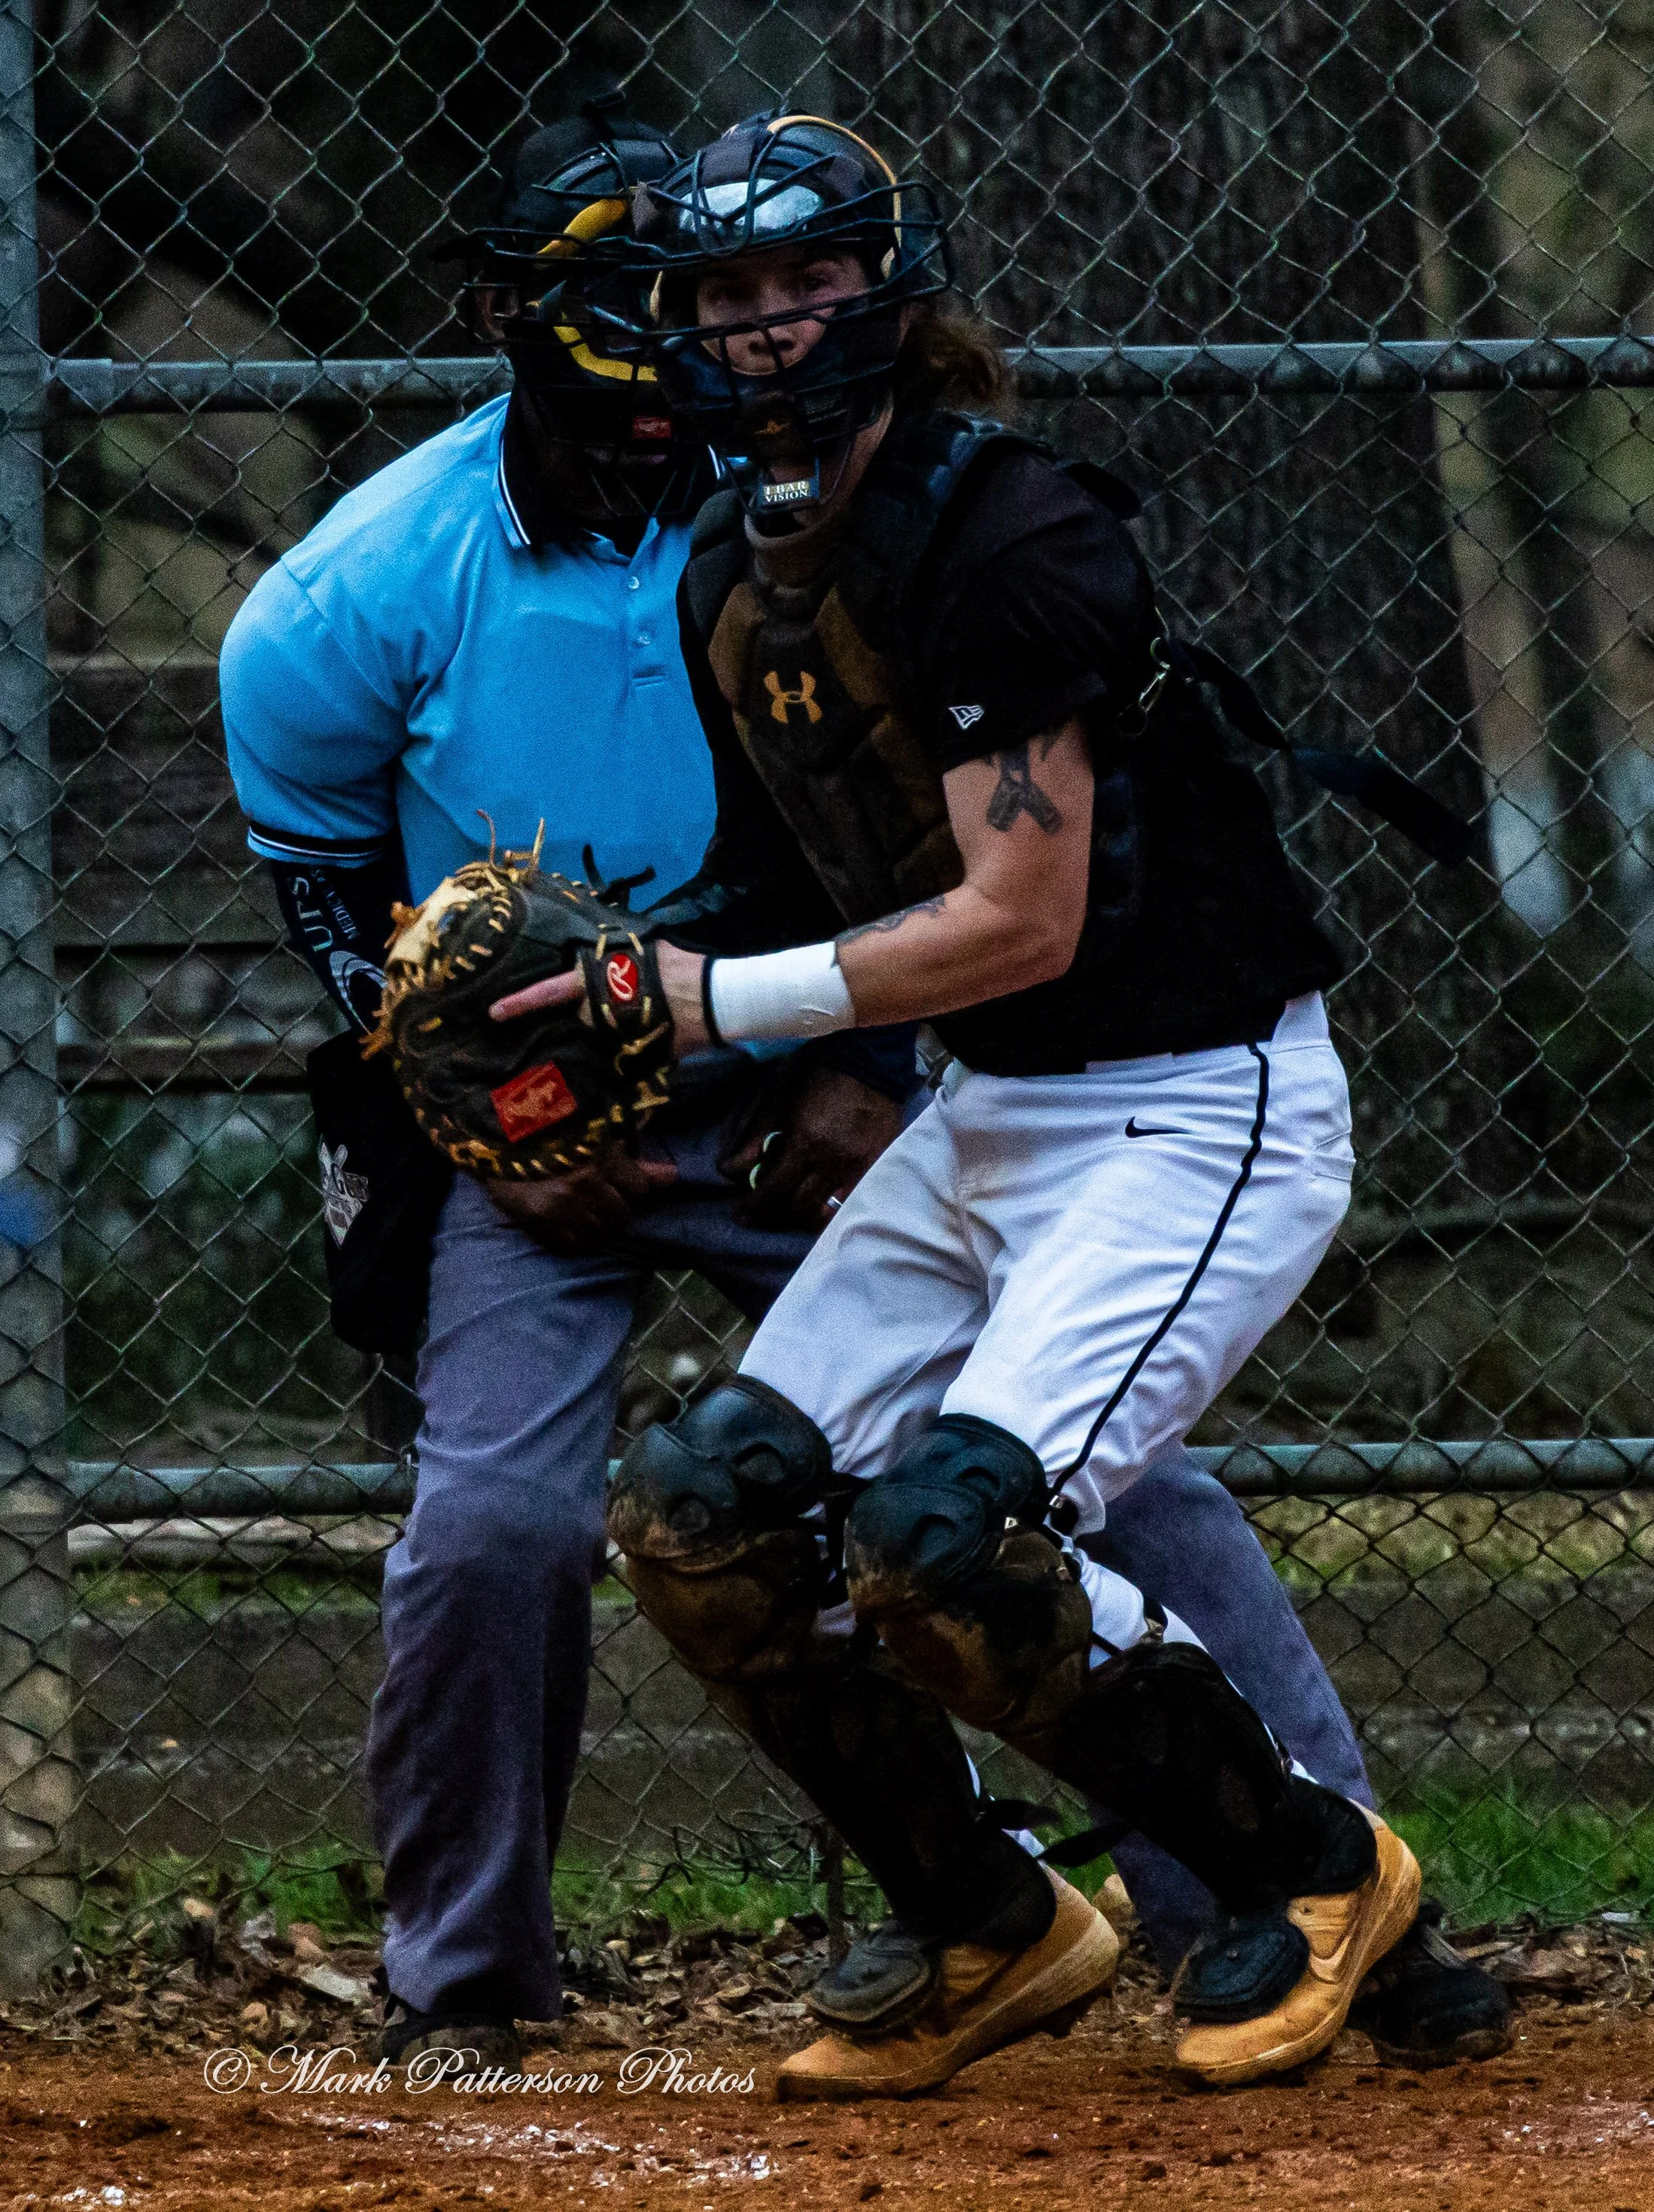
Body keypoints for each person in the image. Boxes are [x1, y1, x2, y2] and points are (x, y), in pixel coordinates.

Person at [558, 111, 1513, 2090]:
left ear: (883, 293)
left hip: (1195, 1108)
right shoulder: (733, 580)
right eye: (722, 295)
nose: (762, 328)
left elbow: (1021, 908)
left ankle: (1320, 1872)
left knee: (949, 1539)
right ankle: (986, 1926)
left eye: (800, 282)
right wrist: (658, 1028)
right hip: (987, 1113)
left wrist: (704, 1007)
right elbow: (810, 876)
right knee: (700, 1520)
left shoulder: (1007, 528)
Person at [219, 82, 920, 2071]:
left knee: (1008, 1446)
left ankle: (1266, 1880)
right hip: (531, 1108)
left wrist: (858, 1069)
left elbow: (912, 845)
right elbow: (328, 889)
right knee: (498, 1529)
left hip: (802, 1049)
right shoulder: (361, 588)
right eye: (631, 331)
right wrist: (483, 1132)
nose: (672, 393)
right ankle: (463, 1981)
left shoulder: (819, 510)